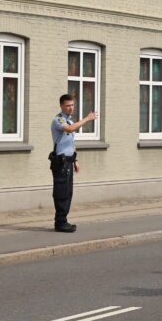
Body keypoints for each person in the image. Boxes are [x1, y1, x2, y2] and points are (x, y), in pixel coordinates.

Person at [50, 94, 97, 232]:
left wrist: (75, 159)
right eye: (68, 106)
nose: (71, 108)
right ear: (61, 106)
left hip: (68, 161)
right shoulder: (58, 120)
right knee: (61, 192)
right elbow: (70, 129)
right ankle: (60, 222)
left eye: (72, 105)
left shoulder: (69, 121)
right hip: (61, 162)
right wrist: (87, 119)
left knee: (68, 192)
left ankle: (63, 220)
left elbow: (71, 143)